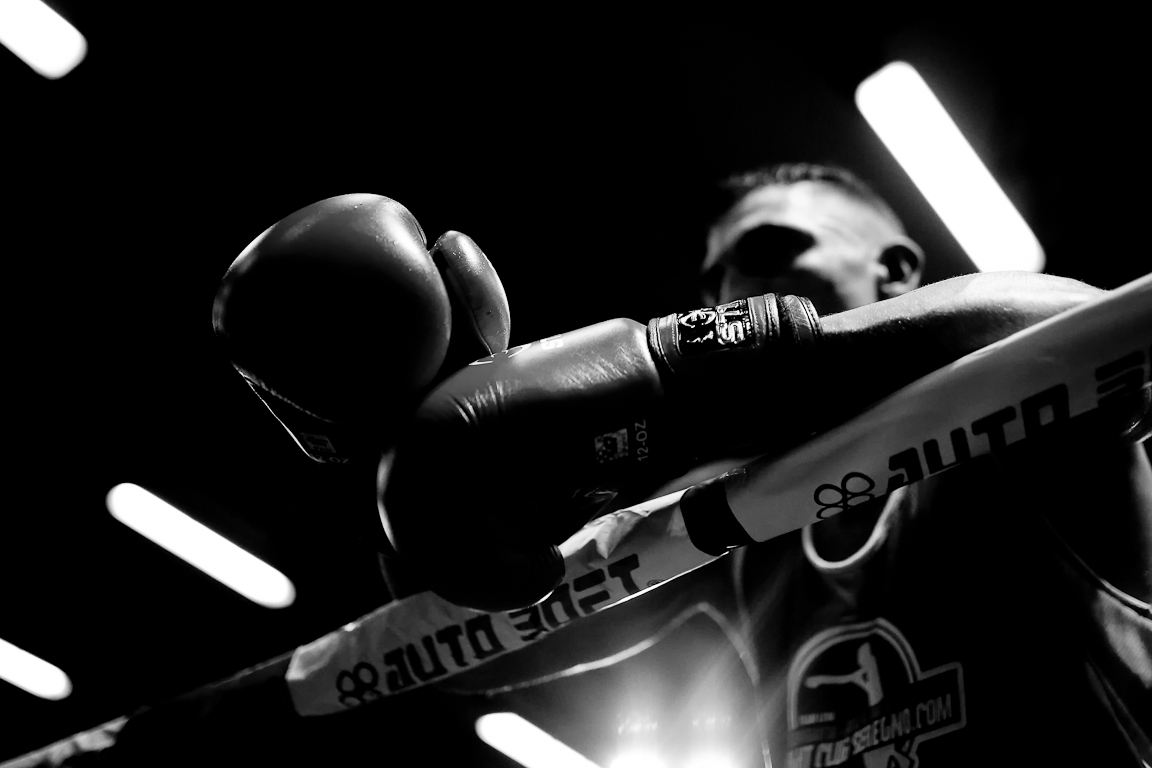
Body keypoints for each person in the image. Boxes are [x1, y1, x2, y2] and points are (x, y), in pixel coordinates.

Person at [8, 164, 1148, 767]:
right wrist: (438, 464)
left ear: (897, 271)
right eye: (714, 286)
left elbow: (1067, 328)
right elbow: (478, 638)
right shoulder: (733, 534)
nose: (733, 296)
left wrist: (679, 375)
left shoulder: (1010, 444)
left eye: (771, 255)